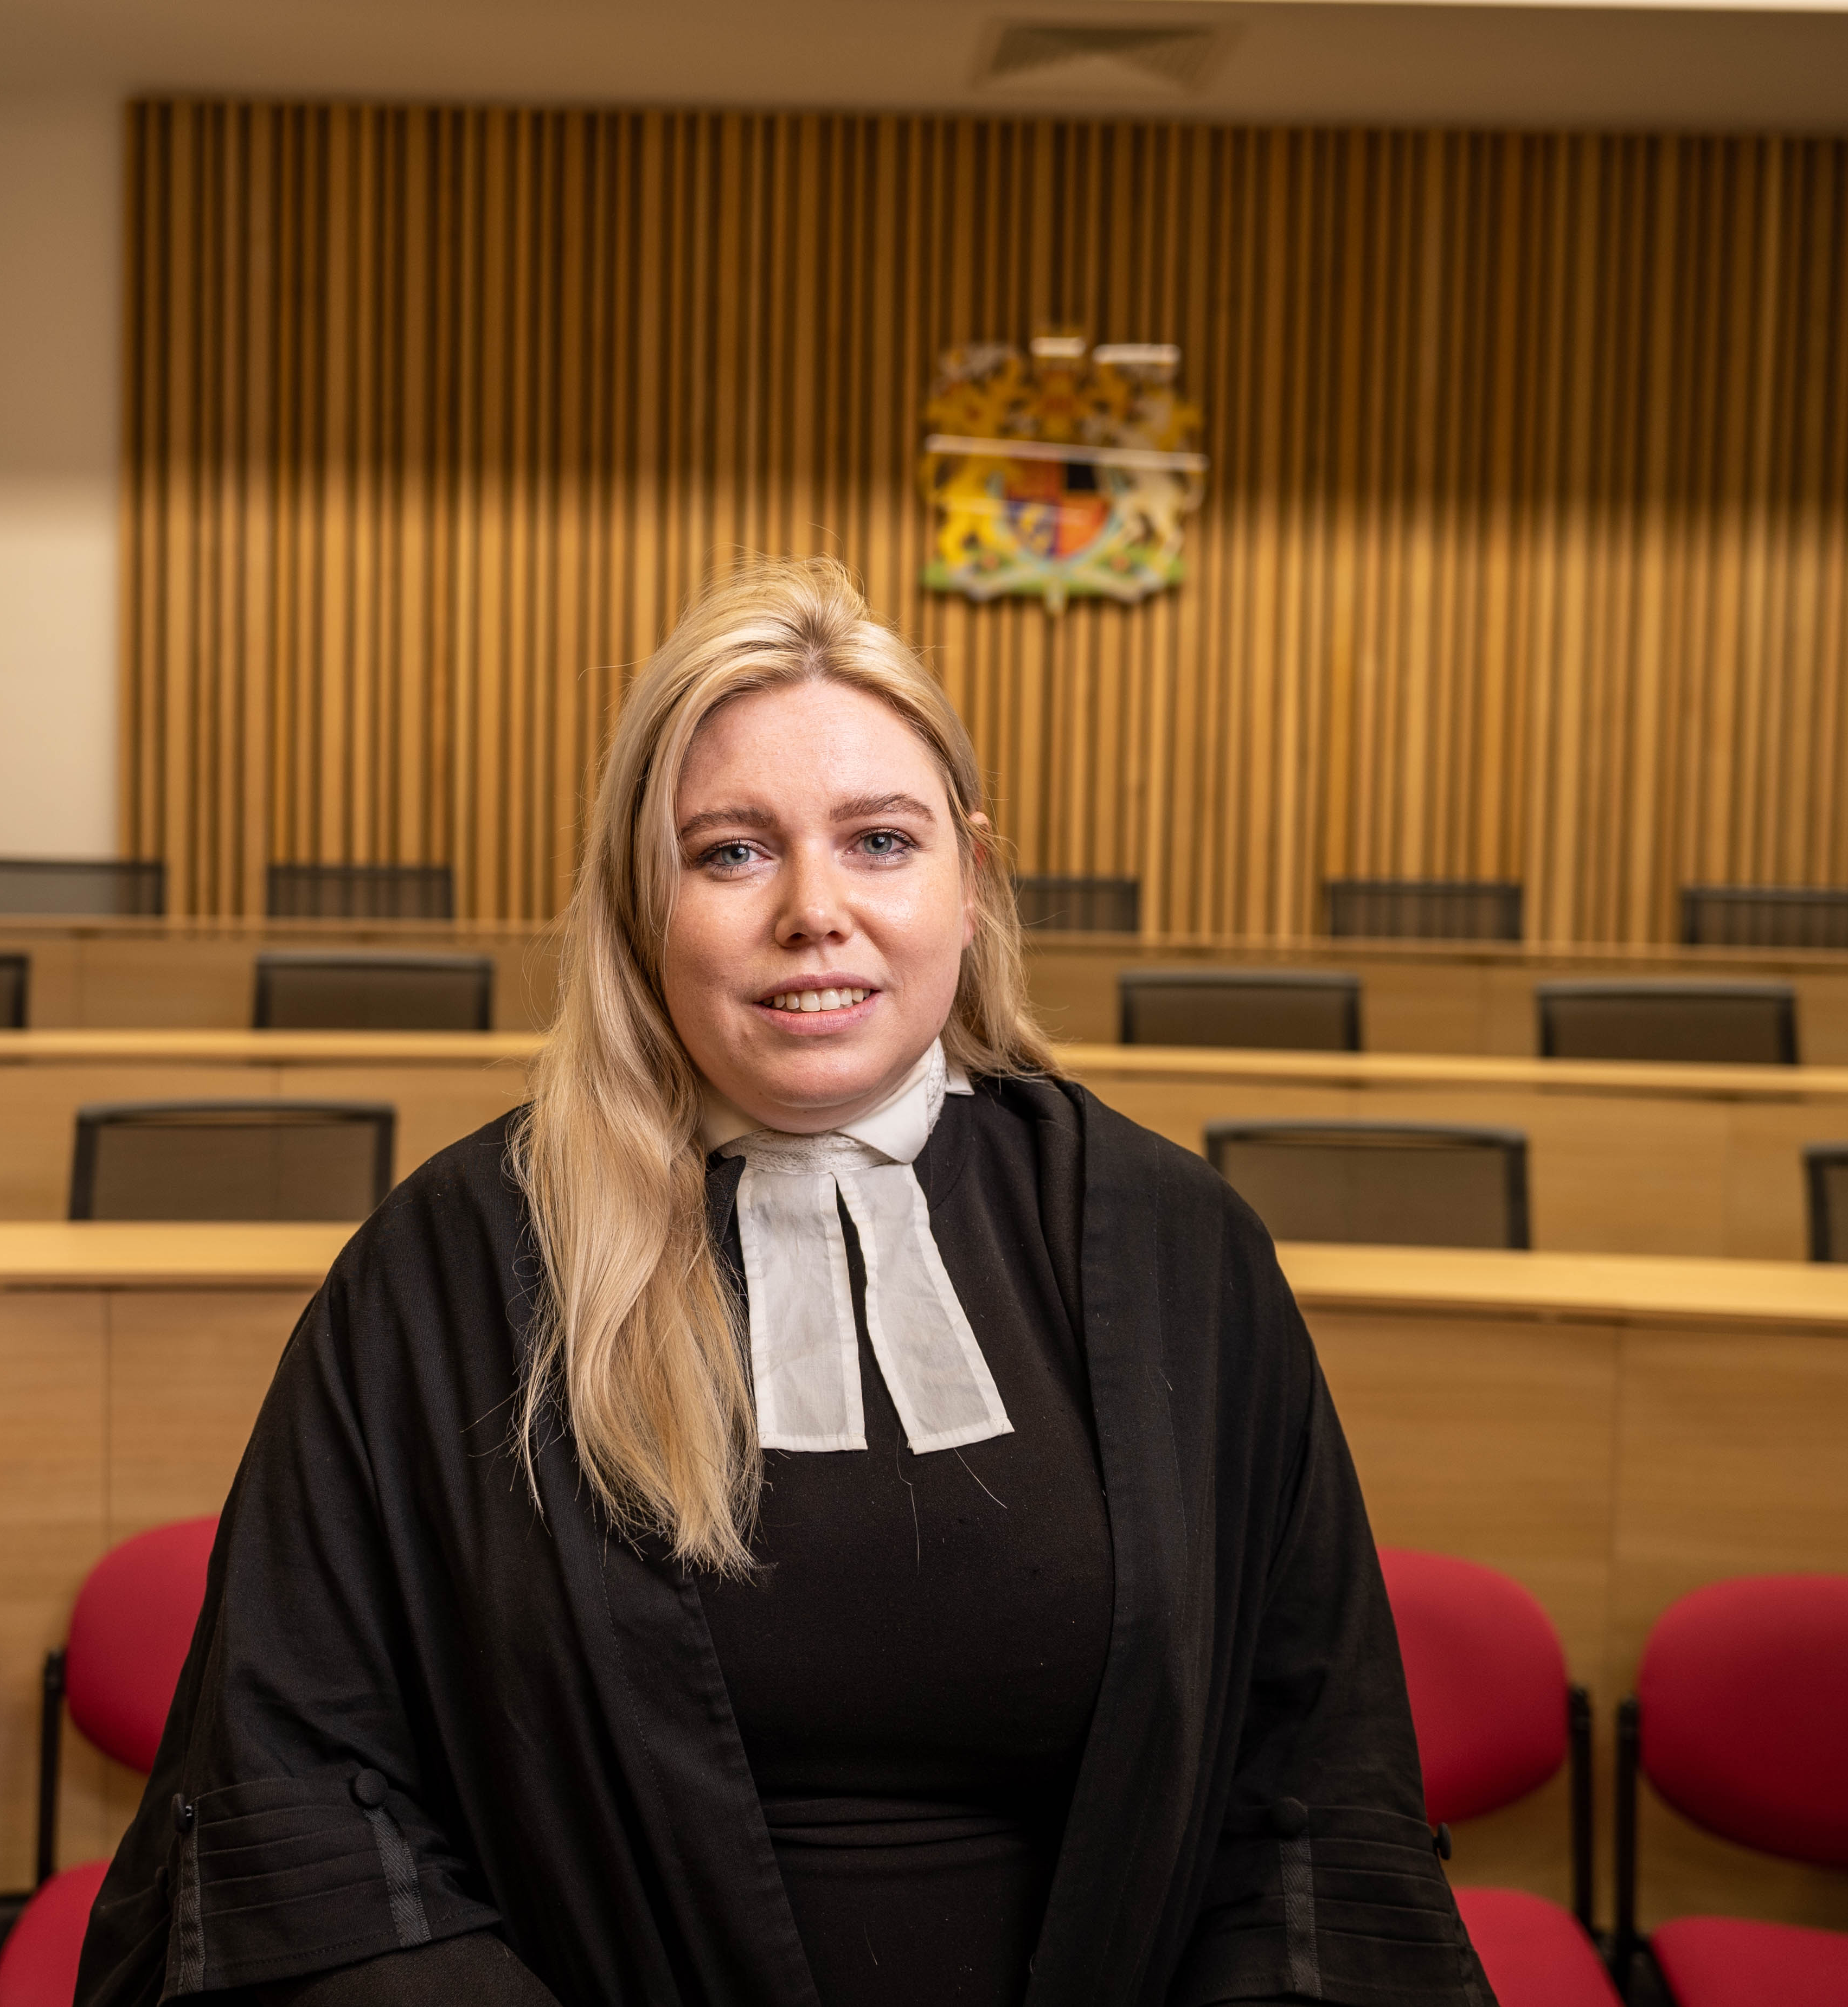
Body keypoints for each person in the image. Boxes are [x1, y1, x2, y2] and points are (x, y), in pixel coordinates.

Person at [75, 557, 1485, 2007]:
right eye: (732, 852)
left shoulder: (1180, 1251)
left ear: (972, 879)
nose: (815, 909)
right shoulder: (453, 1266)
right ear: (643, 904)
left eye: (880, 840)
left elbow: (1308, 1797)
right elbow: (306, 1799)